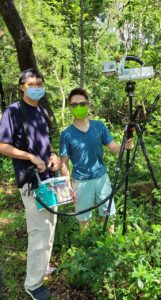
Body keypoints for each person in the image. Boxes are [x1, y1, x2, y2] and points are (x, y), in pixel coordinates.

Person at [0, 69, 60, 300]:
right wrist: (29, 157)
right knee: (38, 231)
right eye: (32, 83)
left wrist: (52, 155)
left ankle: (42, 268)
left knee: (50, 225)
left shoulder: (42, 111)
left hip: (48, 179)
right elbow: (3, 145)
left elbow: (46, 143)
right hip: (30, 180)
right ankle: (33, 285)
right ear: (22, 87)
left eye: (40, 82)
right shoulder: (13, 111)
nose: (37, 86)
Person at [60, 87, 134, 233]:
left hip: (102, 178)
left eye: (82, 103)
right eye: (74, 104)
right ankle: (84, 249)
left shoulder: (98, 126)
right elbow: (64, 162)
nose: (78, 107)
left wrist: (124, 146)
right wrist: (67, 184)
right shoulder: (66, 134)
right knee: (83, 218)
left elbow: (113, 147)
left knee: (108, 213)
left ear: (88, 105)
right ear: (70, 107)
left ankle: (110, 243)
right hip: (80, 181)